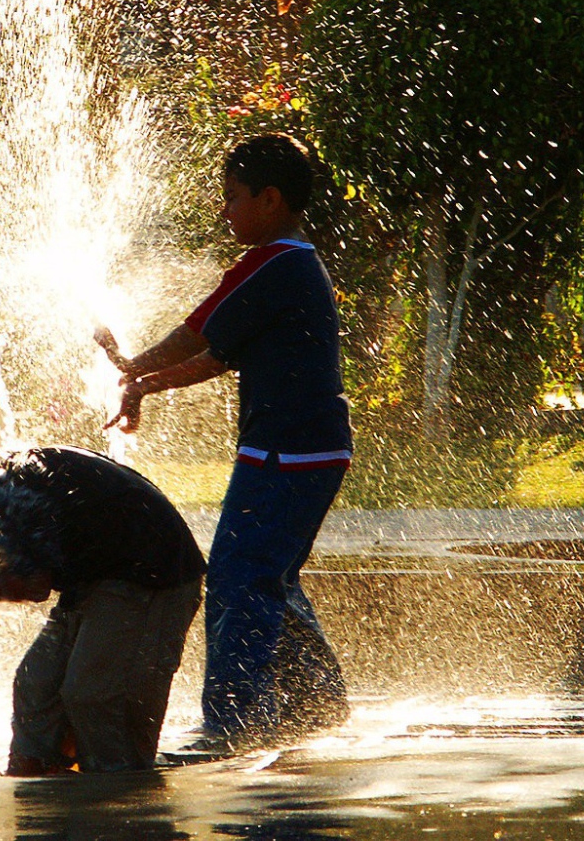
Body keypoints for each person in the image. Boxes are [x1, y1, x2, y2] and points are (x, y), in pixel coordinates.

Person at [96, 133, 353, 751]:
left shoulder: (274, 263)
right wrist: (139, 377)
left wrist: (134, 370)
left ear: (270, 200)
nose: (224, 209)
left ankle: (232, 723)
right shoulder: (291, 264)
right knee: (269, 575)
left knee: (240, 578)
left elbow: (198, 336)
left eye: (233, 197)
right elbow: (217, 352)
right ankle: (317, 702)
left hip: (287, 453)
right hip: (307, 448)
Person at [0, 445, 205, 774]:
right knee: (34, 686)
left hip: (154, 575)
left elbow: (32, 584)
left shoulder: (9, 497)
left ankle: (119, 791)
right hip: (100, 576)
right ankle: (36, 776)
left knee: (93, 695)